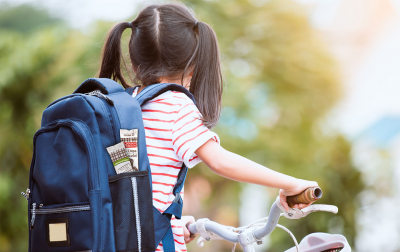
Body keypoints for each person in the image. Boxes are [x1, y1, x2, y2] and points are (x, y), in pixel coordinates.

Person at [98, 3, 318, 251]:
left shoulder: (122, 107)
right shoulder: (175, 104)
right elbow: (220, 162)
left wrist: (167, 221)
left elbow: (128, 183)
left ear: (135, 61)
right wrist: (291, 184)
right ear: (193, 64)